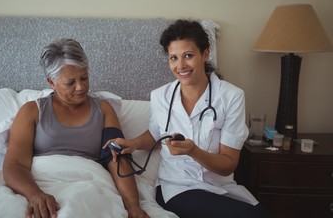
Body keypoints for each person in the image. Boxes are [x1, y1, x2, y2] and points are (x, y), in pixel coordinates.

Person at [107, 20, 272, 218]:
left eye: (188, 56)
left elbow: (228, 164)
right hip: (176, 187)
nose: (180, 65)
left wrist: (194, 151)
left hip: (219, 186)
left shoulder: (231, 97)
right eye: (173, 58)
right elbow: (156, 134)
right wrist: (132, 144)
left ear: (205, 53)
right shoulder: (161, 96)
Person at [3, 38, 149, 218]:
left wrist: (133, 206)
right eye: (70, 83)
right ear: (51, 82)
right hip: (36, 184)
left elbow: (117, 159)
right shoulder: (31, 111)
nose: (81, 87)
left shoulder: (103, 110)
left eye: (84, 78)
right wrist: (35, 195)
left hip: (88, 184)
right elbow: (14, 165)